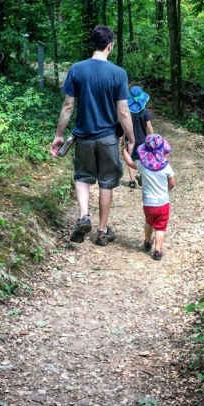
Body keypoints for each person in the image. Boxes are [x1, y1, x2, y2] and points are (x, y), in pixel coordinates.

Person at [50, 25, 135, 246]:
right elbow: (123, 111)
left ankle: (84, 216)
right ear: (110, 46)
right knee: (107, 182)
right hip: (108, 138)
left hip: (84, 137)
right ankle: (102, 230)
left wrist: (59, 135)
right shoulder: (118, 73)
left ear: (93, 44)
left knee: (82, 177)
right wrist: (131, 137)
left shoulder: (77, 70)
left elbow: (68, 106)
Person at [123, 134, 175, 260]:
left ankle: (147, 241)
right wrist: (166, 190)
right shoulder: (166, 167)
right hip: (163, 203)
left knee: (149, 222)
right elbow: (172, 184)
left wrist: (123, 150)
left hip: (148, 204)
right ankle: (157, 251)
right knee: (160, 227)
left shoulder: (142, 165)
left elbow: (130, 163)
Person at [123, 85, 153, 189]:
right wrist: (152, 137)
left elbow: (124, 126)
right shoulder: (145, 112)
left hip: (130, 139)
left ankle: (132, 181)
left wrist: (123, 137)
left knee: (130, 159)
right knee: (143, 159)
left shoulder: (127, 113)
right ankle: (141, 174)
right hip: (143, 140)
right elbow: (149, 127)